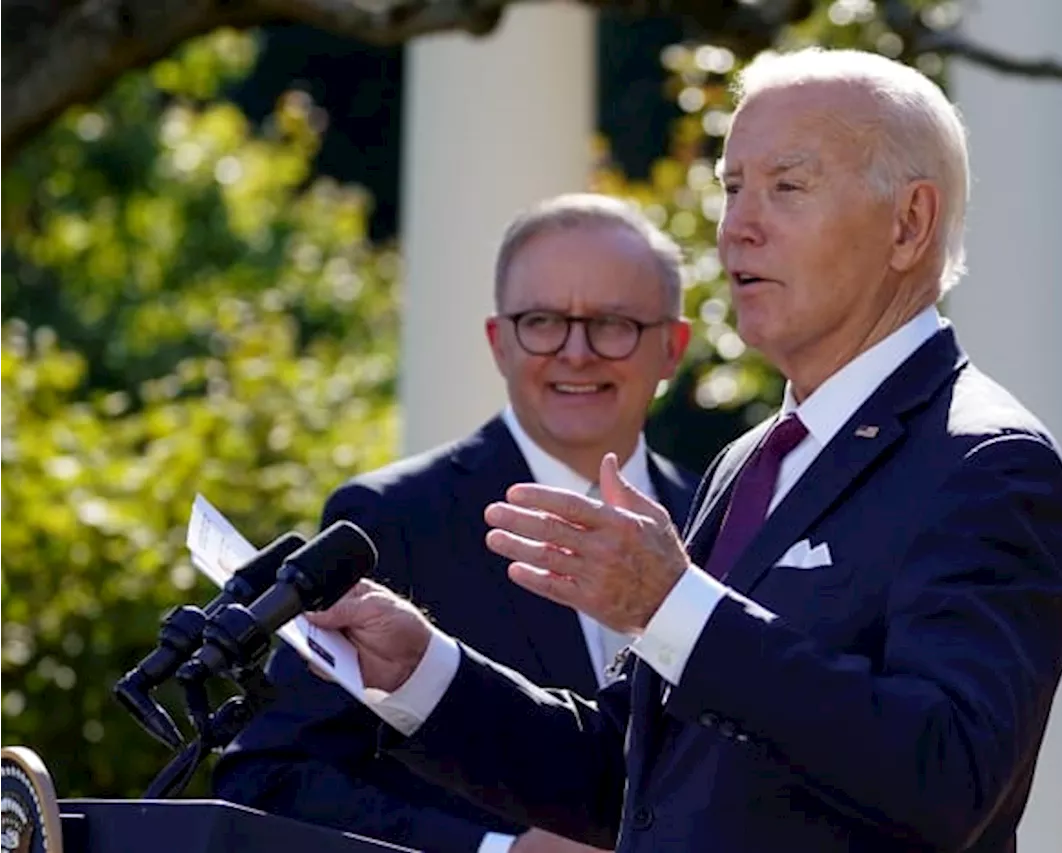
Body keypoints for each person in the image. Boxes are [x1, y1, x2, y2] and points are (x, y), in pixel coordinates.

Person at [308, 47, 1062, 853]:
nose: (739, 226)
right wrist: (423, 669)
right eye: (732, 187)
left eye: (788, 186)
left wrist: (674, 606)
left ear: (909, 224)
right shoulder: (750, 461)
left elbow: (949, 775)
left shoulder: (986, 462)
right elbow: (632, 778)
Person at [212, 193, 699, 853]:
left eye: (613, 323)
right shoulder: (391, 519)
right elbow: (267, 779)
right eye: (543, 321)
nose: (576, 352)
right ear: (499, 342)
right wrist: (495, 850)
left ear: (672, 346)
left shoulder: (723, 517)